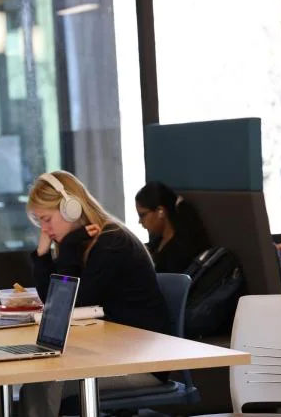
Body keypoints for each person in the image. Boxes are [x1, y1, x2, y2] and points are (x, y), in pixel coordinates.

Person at [21, 171, 170, 416]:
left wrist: (67, 248)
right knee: (37, 386)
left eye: (47, 219)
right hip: (112, 354)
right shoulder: (85, 242)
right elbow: (52, 302)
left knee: (47, 389)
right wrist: (42, 255)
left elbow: (69, 305)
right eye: (40, 223)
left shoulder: (111, 242)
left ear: (72, 208)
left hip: (142, 363)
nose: (45, 230)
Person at [135, 181, 210, 273]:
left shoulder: (180, 251)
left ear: (160, 211)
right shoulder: (158, 241)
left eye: (142, 215)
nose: (140, 221)